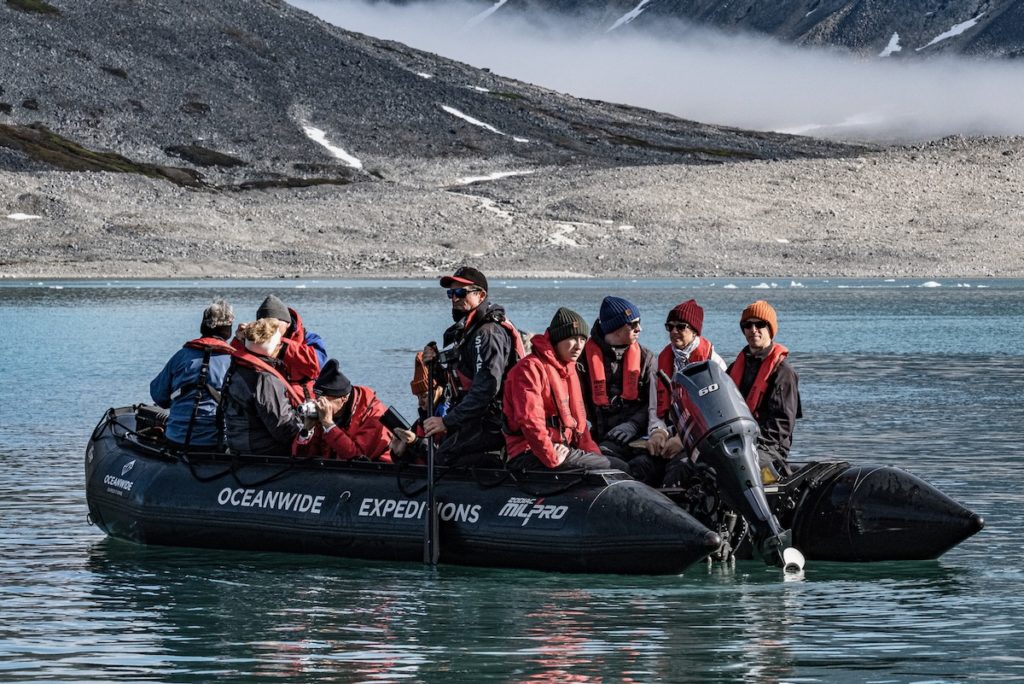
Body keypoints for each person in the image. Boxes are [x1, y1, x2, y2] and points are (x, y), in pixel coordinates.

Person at [421, 266, 525, 465]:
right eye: (450, 293)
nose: (454, 298)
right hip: (473, 418)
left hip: (492, 423)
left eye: (460, 292)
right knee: (438, 454)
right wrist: (435, 366)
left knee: (443, 460)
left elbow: (485, 391)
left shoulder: (487, 334)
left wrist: (446, 422)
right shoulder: (469, 332)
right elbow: (462, 382)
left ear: (481, 295)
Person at [503, 307, 629, 472]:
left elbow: (580, 427)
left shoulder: (567, 369)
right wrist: (552, 457)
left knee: (615, 463)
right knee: (620, 468)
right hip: (529, 453)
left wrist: (594, 456)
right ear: (557, 340)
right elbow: (530, 421)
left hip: (560, 448)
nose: (578, 346)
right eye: (572, 338)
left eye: (582, 339)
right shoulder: (529, 369)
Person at [632, 298, 726, 485]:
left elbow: (718, 416)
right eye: (670, 327)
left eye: (680, 327)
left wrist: (684, 441)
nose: (674, 331)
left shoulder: (714, 364)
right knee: (639, 465)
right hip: (669, 435)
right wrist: (657, 432)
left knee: (680, 468)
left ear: (694, 330)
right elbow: (654, 408)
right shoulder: (660, 362)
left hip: (701, 442)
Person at [727, 300, 802, 479]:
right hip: (736, 441)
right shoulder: (735, 367)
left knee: (737, 467)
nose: (753, 330)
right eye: (747, 325)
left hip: (770, 448)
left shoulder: (783, 372)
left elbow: (782, 424)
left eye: (759, 324)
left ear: (770, 329)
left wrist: (752, 444)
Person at [577, 296, 656, 463]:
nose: (640, 328)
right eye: (633, 324)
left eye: (639, 322)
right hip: (598, 440)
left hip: (639, 435)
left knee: (646, 464)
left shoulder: (646, 359)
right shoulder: (581, 361)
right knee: (610, 463)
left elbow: (654, 402)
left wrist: (633, 425)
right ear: (617, 328)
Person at [149, 299, 236, 449]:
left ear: (203, 326)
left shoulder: (181, 356)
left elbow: (159, 396)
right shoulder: (234, 362)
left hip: (176, 438)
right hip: (216, 443)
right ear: (228, 330)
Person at [220, 318, 305, 455]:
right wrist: (308, 428)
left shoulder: (235, 370)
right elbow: (284, 429)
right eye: (279, 344)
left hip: (238, 445)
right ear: (273, 349)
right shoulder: (265, 379)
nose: (281, 347)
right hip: (262, 451)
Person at [293, 359, 392, 462]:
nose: (320, 405)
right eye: (317, 399)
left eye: (324, 400)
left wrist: (329, 425)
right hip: (335, 474)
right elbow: (301, 462)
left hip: (378, 472)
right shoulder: (323, 413)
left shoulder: (374, 415)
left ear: (343, 398)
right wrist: (307, 430)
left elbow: (358, 459)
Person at [234, 295, 326, 397]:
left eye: (274, 324)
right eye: (265, 324)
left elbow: (317, 364)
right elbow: (235, 364)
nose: (270, 328)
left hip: (300, 401)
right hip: (266, 398)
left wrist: (281, 346)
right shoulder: (256, 340)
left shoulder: (309, 339)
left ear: (287, 323)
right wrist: (241, 340)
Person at [390, 351, 448, 464]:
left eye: (424, 396)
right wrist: (399, 453)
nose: (420, 403)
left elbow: (443, 461)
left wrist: (416, 442)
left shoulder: (449, 418)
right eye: (417, 397)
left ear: (439, 389)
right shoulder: (420, 422)